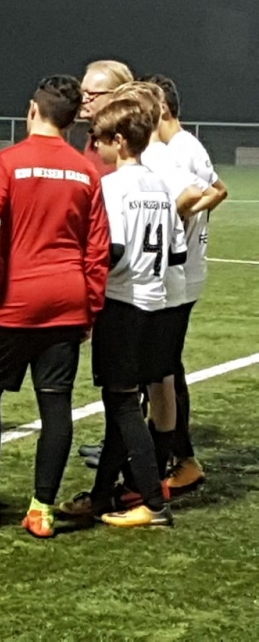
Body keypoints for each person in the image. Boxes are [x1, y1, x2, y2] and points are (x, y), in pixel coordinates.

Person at [0, 75, 110, 539]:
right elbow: (97, 249)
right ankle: (41, 509)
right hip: (68, 299)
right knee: (56, 404)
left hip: (18, 300)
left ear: (32, 110)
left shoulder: (8, 161)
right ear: (72, 122)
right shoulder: (86, 171)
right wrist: (90, 308)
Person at [60, 97, 183, 527]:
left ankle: (152, 501)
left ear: (118, 140)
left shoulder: (112, 187)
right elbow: (177, 252)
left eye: (99, 139)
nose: (95, 147)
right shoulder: (160, 187)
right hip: (156, 304)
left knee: (123, 405)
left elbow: (108, 251)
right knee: (122, 402)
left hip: (121, 304)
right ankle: (101, 496)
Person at [145, 74, 228, 493]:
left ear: (160, 107)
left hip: (179, 274)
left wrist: (174, 221)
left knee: (164, 368)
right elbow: (219, 190)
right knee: (163, 367)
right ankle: (155, 447)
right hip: (185, 271)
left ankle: (182, 457)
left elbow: (205, 193)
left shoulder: (178, 149)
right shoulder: (187, 144)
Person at [78, 60, 134, 178]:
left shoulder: (131, 142)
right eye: (82, 93)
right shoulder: (93, 138)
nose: (83, 100)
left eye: (91, 94)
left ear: (117, 96)